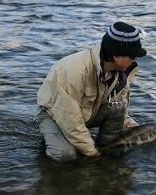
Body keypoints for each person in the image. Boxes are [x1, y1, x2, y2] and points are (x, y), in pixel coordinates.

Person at [34, 22, 147, 161]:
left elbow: (120, 110)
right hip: (54, 115)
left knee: (118, 107)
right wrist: (92, 152)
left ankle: (107, 148)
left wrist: (140, 132)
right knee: (65, 154)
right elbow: (69, 118)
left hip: (85, 114)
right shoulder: (75, 70)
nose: (135, 60)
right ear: (116, 56)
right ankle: (51, 143)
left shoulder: (119, 74)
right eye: (132, 56)